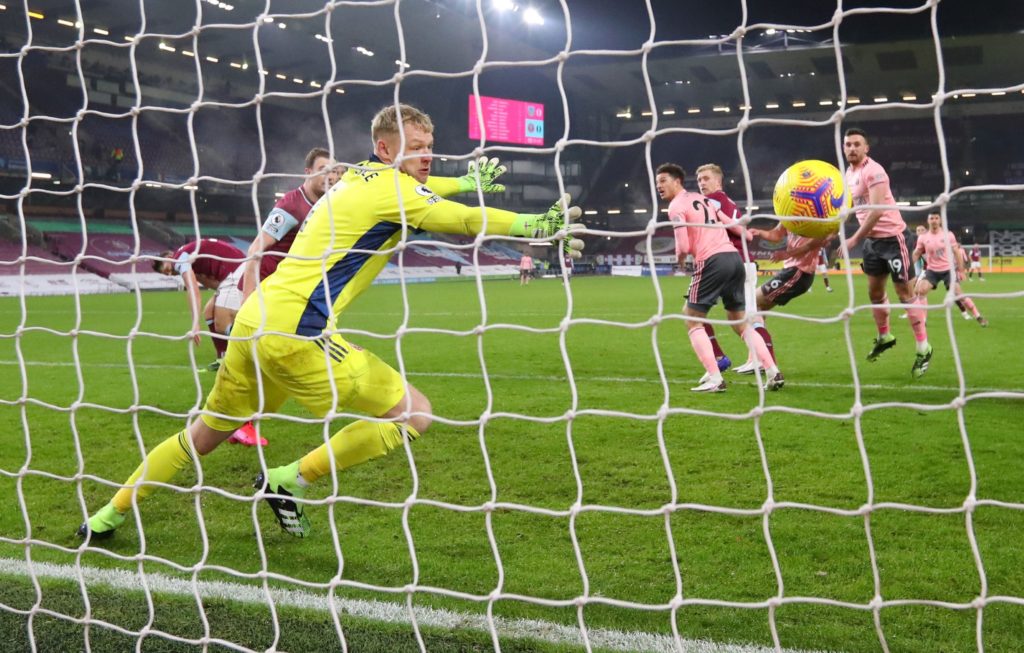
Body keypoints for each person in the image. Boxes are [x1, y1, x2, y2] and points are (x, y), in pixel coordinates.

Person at [78, 103, 583, 541]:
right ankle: (288, 479)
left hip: (254, 322)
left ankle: (106, 515)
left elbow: (431, 185)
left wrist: (468, 179)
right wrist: (537, 226)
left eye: (431, 146)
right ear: (386, 150)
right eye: (416, 147)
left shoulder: (361, 175)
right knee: (414, 414)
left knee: (204, 434)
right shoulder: (390, 188)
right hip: (298, 334)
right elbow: (462, 218)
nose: (427, 155)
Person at [656, 163, 781, 393]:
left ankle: (715, 377)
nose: (659, 186)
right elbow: (735, 227)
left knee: (691, 317)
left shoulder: (676, 206)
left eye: (663, 181)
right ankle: (772, 370)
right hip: (735, 260)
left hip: (712, 261)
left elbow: (683, 245)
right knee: (740, 321)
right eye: (657, 183)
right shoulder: (705, 200)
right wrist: (746, 234)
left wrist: (680, 259)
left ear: (677, 182)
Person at [842, 127, 931, 379]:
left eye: (857, 144)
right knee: (875, 293)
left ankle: (923, 347)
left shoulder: (875, 171)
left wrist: (854, 239)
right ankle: (885, 336)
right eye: (848, 144)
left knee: (904, 294)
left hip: (894, 239)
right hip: (872, 243)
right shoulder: (848, 173)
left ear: (866, 147)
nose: (852, 148)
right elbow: (852, 208)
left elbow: (877, 211)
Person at [694, 163, 774, 375]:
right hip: (741, 263)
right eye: (699, 179)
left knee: (696, 311)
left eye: (706, 178)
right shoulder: (727, 201)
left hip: (730, 263)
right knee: (743, 318)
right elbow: (744, 233)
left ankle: (763, 364)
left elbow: (741, 233)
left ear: (718, 181)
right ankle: (757, 360)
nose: (701, 183)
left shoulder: (713, 202)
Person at [240, 148, 341, 304]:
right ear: (308, 172)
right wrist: (246, 299)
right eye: (323, 170)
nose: (330, 177)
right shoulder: (291, 205)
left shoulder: (326, 205)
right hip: (262, 288)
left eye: (333, 171)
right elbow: (255, 249)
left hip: (286, 290)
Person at [154, 238, 246, 372]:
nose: (169, 273)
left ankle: (251, 353)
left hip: (236, 270)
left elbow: (193, 290)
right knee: (210, 311)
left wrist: (195, 324)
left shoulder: (180, 259)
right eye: (166, 274)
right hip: (236, 268)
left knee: (222, 323)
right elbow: (212, 284)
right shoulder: (189, 256)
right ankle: (222, 358)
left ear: (169, 257)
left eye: (166, 269)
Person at [912, 213, 988, 327]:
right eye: (931, 218)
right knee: (921, 290)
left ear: (940, 220)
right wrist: (907, 267)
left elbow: (957, 252)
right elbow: (917, 253)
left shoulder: (948, 235)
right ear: (928, 221)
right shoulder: (923, 237)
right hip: (932, 271)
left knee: (959, 295)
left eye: (936, 218)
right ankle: (923, 320)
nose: (934, 220)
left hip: (948, 270)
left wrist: (961, 271)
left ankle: (978, 316)